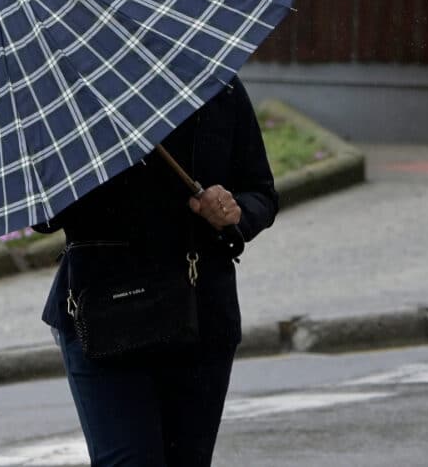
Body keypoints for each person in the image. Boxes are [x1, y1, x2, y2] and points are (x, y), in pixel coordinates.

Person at [33, 76, 278, 467]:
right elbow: (43, 215)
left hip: (200, 313)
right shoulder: (68, 94)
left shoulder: (216, 84)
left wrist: (235, 212)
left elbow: (260, 191)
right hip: (102, 316)